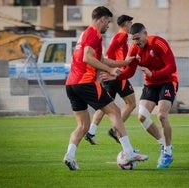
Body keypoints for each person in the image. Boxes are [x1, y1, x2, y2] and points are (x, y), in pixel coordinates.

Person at [63, 7, 148, 171]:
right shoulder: (94, 33)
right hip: (85, 82)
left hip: (71, 85)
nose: (108, 25)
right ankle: (129, 152)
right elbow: (87, 57)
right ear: (102, 19)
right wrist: (109, 71)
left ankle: (70, 156)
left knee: (83, 126)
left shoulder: (86, 34)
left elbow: (101, 58)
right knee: (115, 112)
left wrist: (122, 64)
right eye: (108, 22)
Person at [100, 23, 179, 169]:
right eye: (133, 39)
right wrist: (115, 77)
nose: (136, 42)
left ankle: (167, 152)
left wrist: (153, 74)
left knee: (161, 115)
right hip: (151, 84)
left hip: (168, 81)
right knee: (142, 116)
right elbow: (129, 71)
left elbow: (172, 67)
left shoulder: (159, 43)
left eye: (138, 38)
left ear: (145, 34)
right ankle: (163, 144)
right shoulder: (134, 48)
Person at [84, 14, 136, 145]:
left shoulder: (119, 36)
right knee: (131, 103)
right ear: (125, 24)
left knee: (104, 105)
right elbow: (111, 52)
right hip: (117, 76)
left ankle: (91, 132)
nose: (131, 26)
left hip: (112, 75)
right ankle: (115, 130)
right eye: (130, 23)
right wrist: (112, 70)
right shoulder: (121, 36)